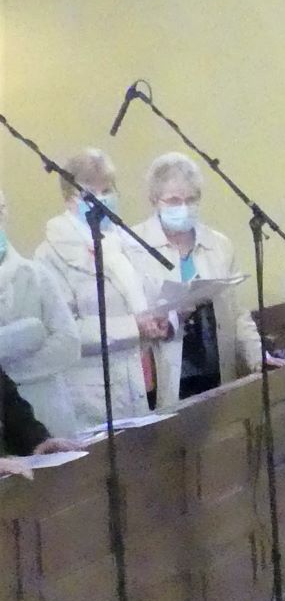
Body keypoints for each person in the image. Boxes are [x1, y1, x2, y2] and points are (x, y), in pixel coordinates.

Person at [37, 148, 171, 430]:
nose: (102, 198)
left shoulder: (121, 241)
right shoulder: (50, 255)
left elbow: (145, 293)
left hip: (140, 379)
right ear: (70, 199)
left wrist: (161, 316)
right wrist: (133, 326)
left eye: (108, 190)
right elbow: (64, 331)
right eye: (91, 192)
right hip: (92, 395)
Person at [135, 153, 266, 409]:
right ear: (154, 200)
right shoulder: (134, 245)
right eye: (174, 200)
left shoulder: (219, 245)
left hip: (215, 368)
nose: (183, 207)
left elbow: (236, 312)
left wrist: (257, 356)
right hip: (165, 372)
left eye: (191, 199)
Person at [0, 190, 81, 439]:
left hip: (47, 407)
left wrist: (7, 372)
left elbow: (68, 344)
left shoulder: (37, 275)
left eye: (0, 209)